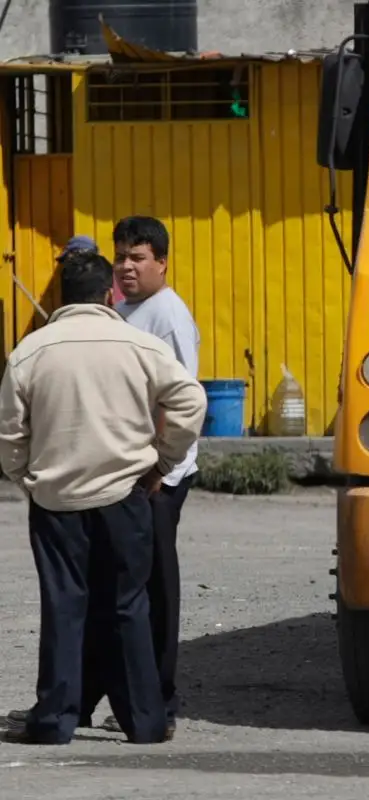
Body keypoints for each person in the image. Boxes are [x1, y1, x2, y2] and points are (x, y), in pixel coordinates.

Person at [0, 251, 206, 744]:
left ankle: (54, 721)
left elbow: (10, 431)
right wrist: (162, 462)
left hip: (57, 501)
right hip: (125, 494)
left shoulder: (30, 351)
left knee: (64, 606)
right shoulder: (137, 343)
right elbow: (191, 399)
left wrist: (24, 476)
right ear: (109, 293)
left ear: (61, 297)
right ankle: (146, 721)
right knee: (128, 606)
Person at [88, 216, 201, 737]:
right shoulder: (122, 310)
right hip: (124, 474)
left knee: (154, 590)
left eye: (137, 258)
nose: (126, 267)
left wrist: (161, 468)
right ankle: (107, 695)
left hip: (160, 478)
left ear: (161, 262)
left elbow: (178, 401)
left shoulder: (167, 316)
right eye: (120, 258)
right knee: (115, 585)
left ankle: (162, 700)